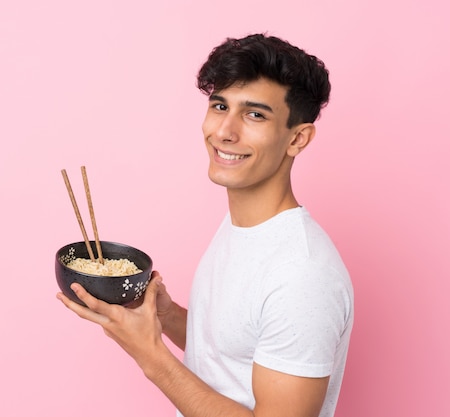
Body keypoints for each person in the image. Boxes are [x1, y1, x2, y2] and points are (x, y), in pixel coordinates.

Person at [57, 33, 354, 417]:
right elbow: (231, 352)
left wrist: (151, 356)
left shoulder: (303, 274)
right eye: (219, 106)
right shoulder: (244, 228)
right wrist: (165, 316)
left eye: (255, 114)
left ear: (298, 138)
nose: (224, 132)